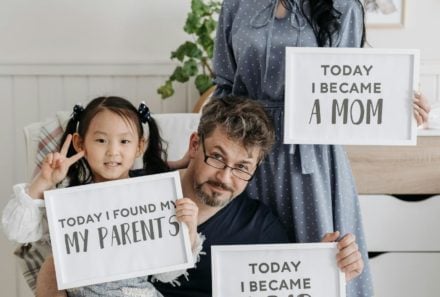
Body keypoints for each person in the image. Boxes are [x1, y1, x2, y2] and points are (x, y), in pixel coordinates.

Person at [38, 96, 364, 297]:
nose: (224, 177)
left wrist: (327, 271)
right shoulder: (134, 189)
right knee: (53, 268)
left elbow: (289, 288)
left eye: (241, 168)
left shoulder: (261, 229)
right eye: (217, 157)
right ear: (195, 145)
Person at [212, 1, 431, 296]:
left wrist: (401, 106)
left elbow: (353, 84)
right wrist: (207, 151)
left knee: (324, 263)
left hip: (312, 159)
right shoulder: (237, 4)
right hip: (246, 153)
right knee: (256, 271)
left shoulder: (344, 6)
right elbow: (224, 85)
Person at [2, 96, 204, 297]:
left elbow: (167, 274)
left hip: (136, 293)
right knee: (50, 268)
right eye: (101, 140)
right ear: (80, 144)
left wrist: (189, 230)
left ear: (139, 146)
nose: (113, 151)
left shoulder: (151, 197)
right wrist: (43, 181)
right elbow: (18, 232)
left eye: (124, 141)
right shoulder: (66, 199)